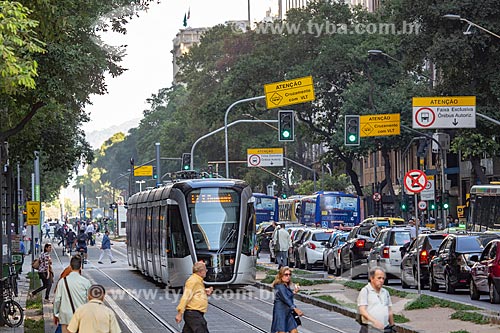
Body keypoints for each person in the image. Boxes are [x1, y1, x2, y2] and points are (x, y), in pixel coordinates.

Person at [53, 255, 91, 333]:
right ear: (80, 267)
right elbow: (90, 301)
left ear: (70, 266)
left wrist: (56, 314)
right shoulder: (86, 282)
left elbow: (57, 300)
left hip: (65, 317)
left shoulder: (62, 282)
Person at [175, 261, 214, 333]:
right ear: (200, 271)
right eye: (205, 269)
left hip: (193, 314)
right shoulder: (193, 281)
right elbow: (186, 297)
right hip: (193, 314)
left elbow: (195, 292)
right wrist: (179, 313)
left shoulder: (197, 280)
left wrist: (205, 291)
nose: (206, 271)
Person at [357, 266, 395, 333]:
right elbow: (362, 310)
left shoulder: (385, 292)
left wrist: (392, 326)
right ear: (372, 278)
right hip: (369, 328)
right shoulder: (365, 291)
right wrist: (375, 322)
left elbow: (389, 310)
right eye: (379, 278)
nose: (381, 281)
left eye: (383, 278)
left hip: (384, 328)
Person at [270, 266, 303, 333]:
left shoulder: (285, 285)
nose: (288, 276)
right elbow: (285, 298)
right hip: (281, 313)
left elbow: (287, 296)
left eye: (289, 274)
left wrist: (294, 292)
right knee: (282, 331)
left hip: (288, 312)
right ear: (281, 275)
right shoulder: (280, 286)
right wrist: (295, 309)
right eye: (286, 274)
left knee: (294, 331)